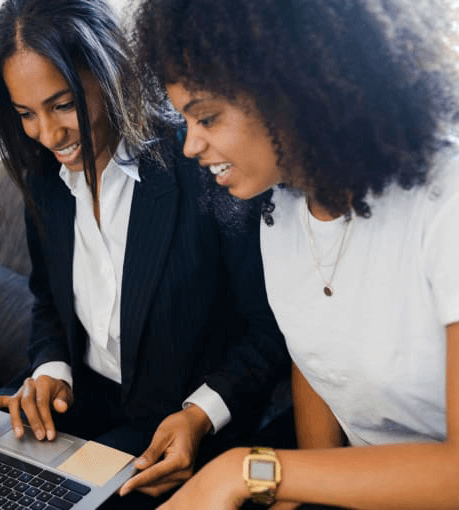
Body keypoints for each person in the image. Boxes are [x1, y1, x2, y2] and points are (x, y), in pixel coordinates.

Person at [133, 0, 459, 508]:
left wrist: (250, 472)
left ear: (294, 92)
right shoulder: (281, 208)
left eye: (207, 117)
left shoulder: (447, 204)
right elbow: (315, 359)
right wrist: (297, 497)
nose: (190, 146)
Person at [0, 0, 292, 506]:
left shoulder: (202, 163)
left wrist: (200, 414)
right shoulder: (43, 179)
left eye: (62, 105)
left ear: (110, 73)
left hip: (178, 420)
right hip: (85, 400)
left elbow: (270, 327)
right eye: (25, 115)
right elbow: (47, 305)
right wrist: (49, 372)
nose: (48, 133)